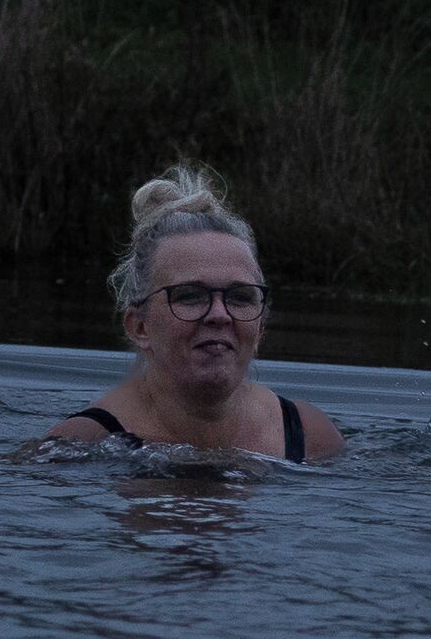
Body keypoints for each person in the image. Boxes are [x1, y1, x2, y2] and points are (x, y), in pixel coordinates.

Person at [41, 164, 343, 464]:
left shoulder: (310, 438)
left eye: (240, 297)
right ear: (140, 327)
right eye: (190, 296)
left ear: (261, 327)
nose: (219, 314)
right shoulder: (79, 446)